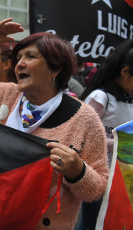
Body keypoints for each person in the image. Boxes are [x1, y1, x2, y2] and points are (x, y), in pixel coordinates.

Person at [0, 18, 109, 229]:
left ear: (55, 69)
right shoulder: (6, 95)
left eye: (30, 57)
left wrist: (77, 170)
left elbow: (97, 189)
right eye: (18, 57)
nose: (19, 63)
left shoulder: (84, 118)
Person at [77, 39, 133, 230]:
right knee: (91, 224)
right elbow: (85, 136)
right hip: (98, 174)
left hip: (121, 175)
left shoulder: (129, 100)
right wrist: (121, 142)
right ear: (125, 71)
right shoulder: (101, 97)